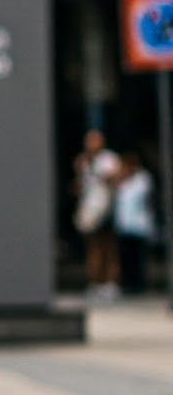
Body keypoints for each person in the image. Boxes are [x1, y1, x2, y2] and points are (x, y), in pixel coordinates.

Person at [74, 129, 121, 304]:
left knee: (108, 247)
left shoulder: (108, 159)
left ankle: (110, 283)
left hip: (107, 209)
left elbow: (116, 178)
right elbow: (80, 187)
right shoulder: (84, 162)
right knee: (93, 247)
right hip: (91, 210)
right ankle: (95, 282)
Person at [113, 151, 155, 299]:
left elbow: (143, 195)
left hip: (138, 226)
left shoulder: (142, 179)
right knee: (125, 257)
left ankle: (137, 285)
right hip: (124, 226)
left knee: (137, 258)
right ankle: (126, 284)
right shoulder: (121, 180)